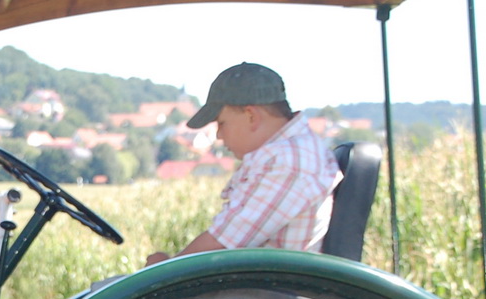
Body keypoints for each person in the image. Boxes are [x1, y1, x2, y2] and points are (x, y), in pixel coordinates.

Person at [145, 62, 341, 264]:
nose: (219, 135)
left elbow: (222, 244)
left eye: (222, 123)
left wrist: (160, 271)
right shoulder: (295, 151)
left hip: (269, 290)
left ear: (251, 116)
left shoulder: (288, 161)